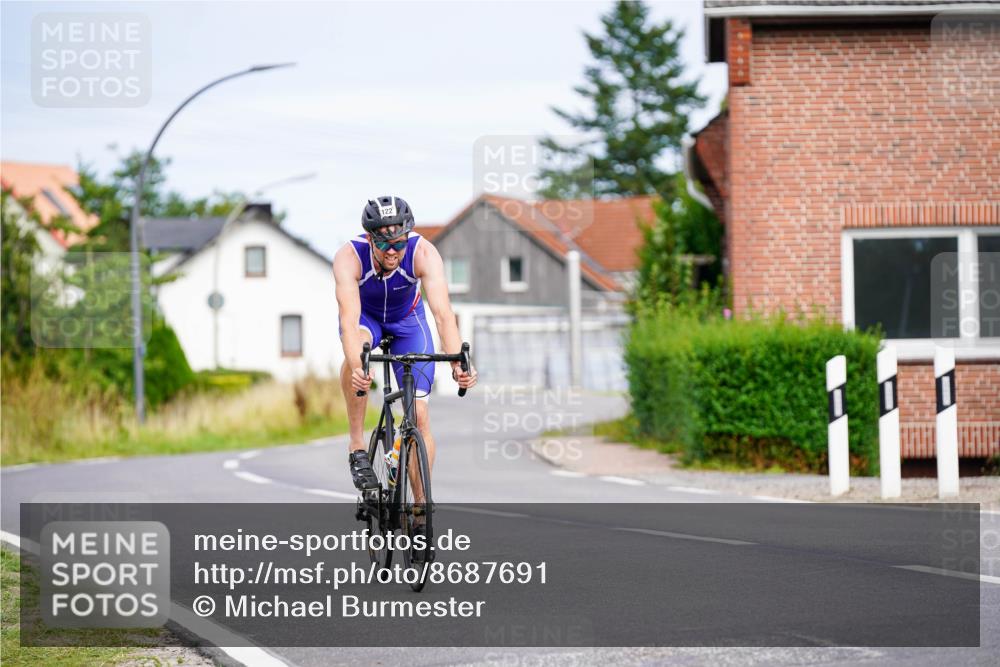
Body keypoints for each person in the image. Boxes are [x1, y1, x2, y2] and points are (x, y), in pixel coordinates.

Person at [334, 195, 477, 491]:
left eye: (399, 243)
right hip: (367, 320)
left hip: (408, 322)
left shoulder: (423, 252)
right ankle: (357, 446)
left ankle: (420, 507)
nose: (393, 251)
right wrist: (357, 364)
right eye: (385, 244)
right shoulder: (349, 257)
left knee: (420, 417)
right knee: (357, 355)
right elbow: (349, 321)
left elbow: (443, 315)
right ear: (370, 238)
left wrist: (457, 362)